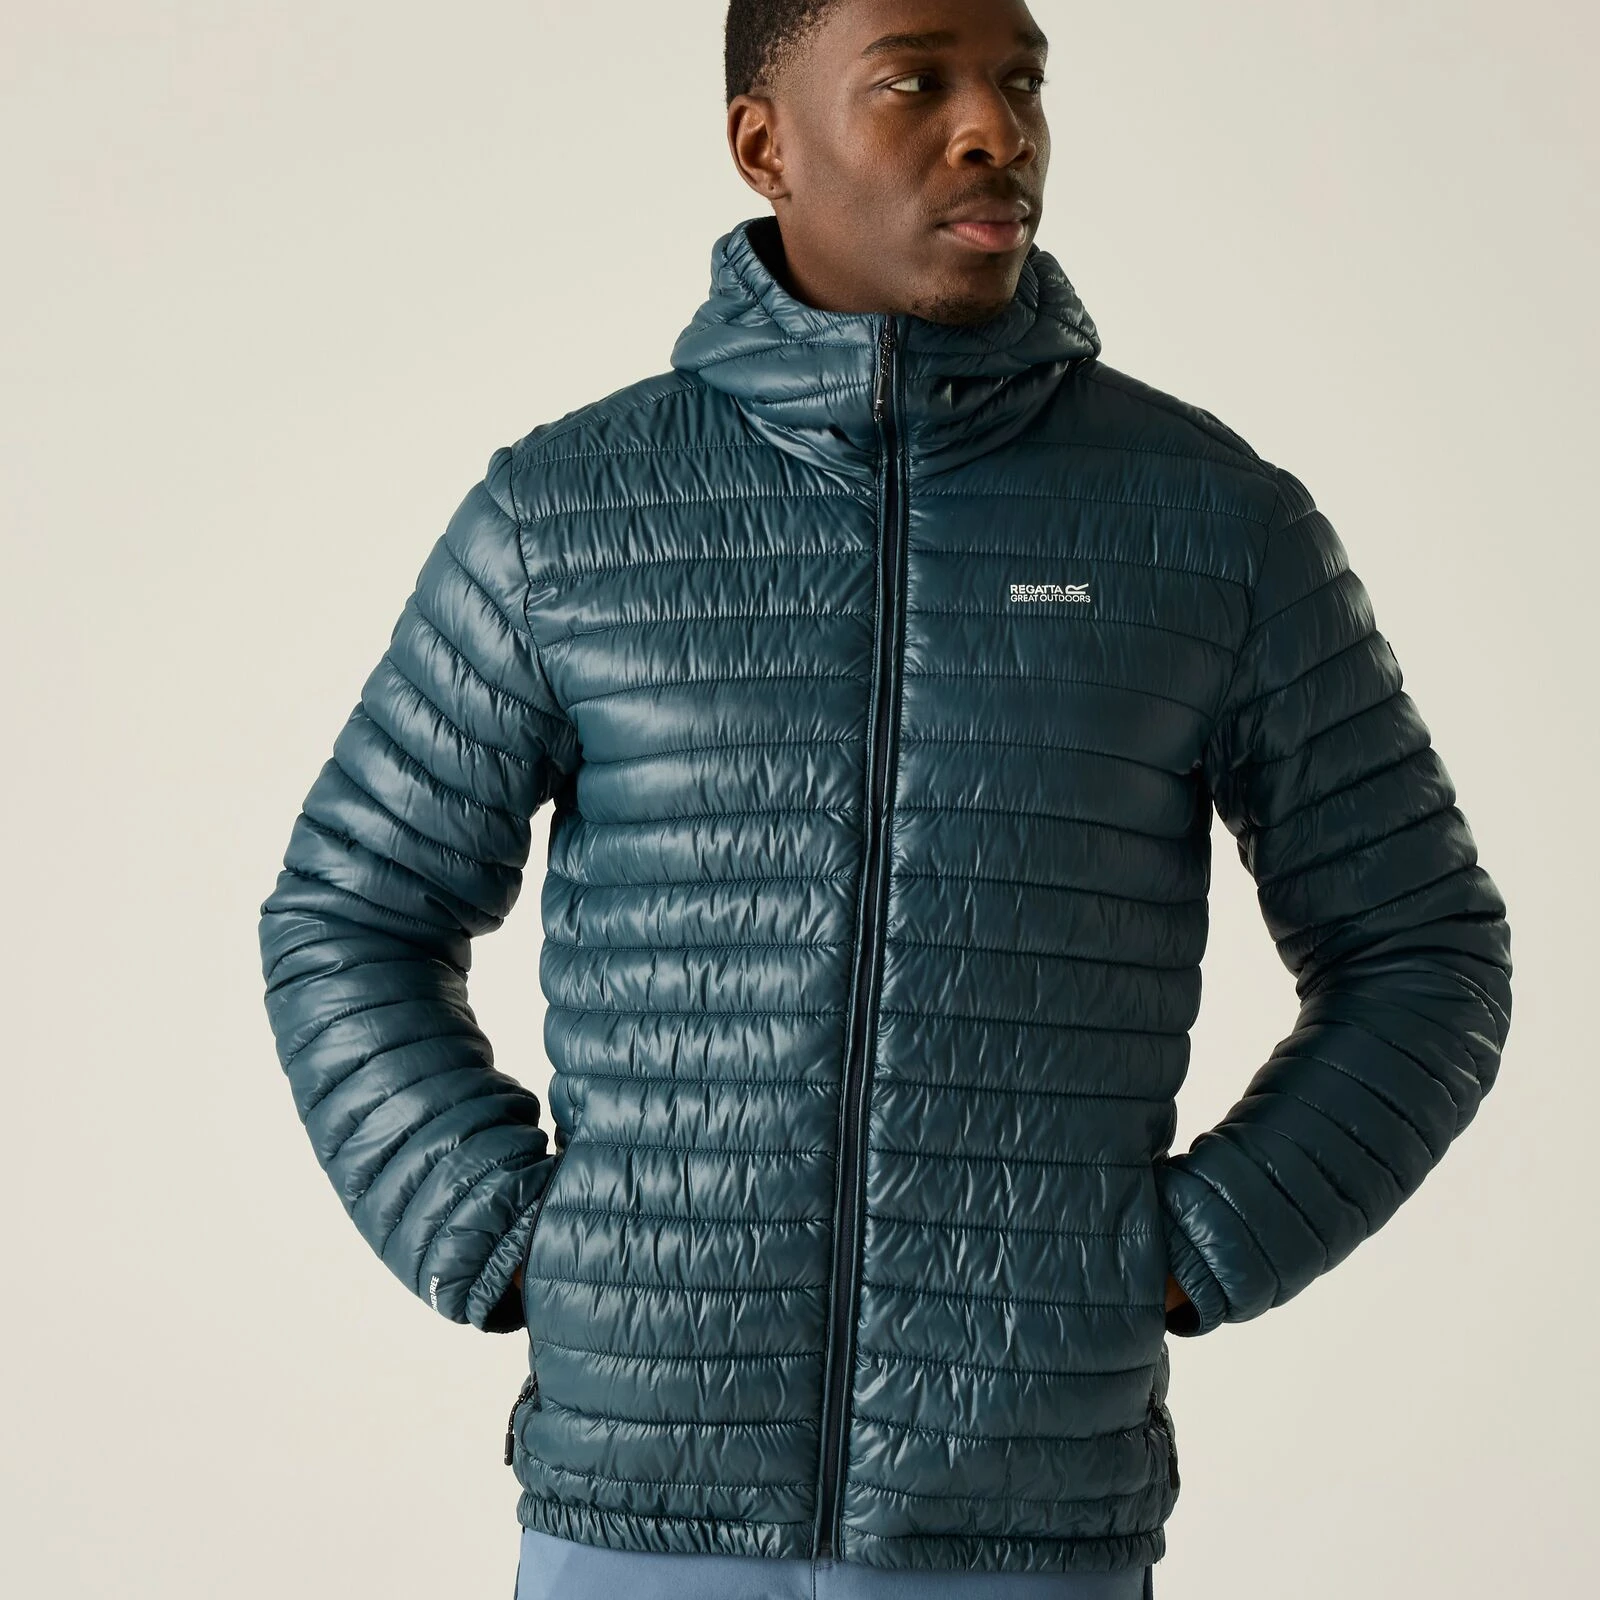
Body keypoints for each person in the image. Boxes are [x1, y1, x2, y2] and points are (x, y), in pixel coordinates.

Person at [255, 1, 1514, 1596]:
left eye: (1021, 81)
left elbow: (1424, 952)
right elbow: (352, 911)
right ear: (764, 145)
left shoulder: (1211, 525)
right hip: (635, 1515)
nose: (997, 129)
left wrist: (1197, 1250)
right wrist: (503, 1236)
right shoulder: (568, 519)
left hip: (1025, 1520)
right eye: (917, 81)